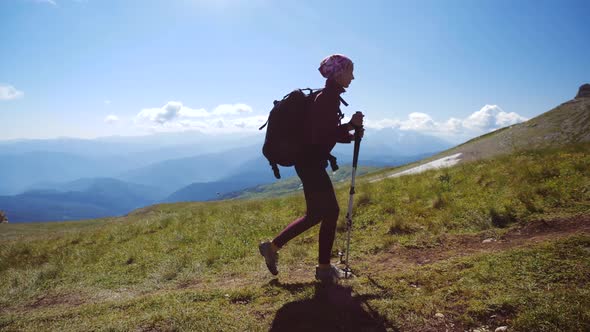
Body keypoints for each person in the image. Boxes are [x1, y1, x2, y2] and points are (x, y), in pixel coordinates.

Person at [259, 54, 364, 283]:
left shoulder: (325, 96)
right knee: (330, 212)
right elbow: (320, 135)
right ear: (338, 73)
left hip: (307, 162)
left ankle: (272, 246)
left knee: (316, 213)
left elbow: (322, 132)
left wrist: (349, 130)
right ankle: (324, 268)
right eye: (349, 72)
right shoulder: (326, 98)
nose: (353, 77)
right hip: (310, 163)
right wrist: (351, 127)